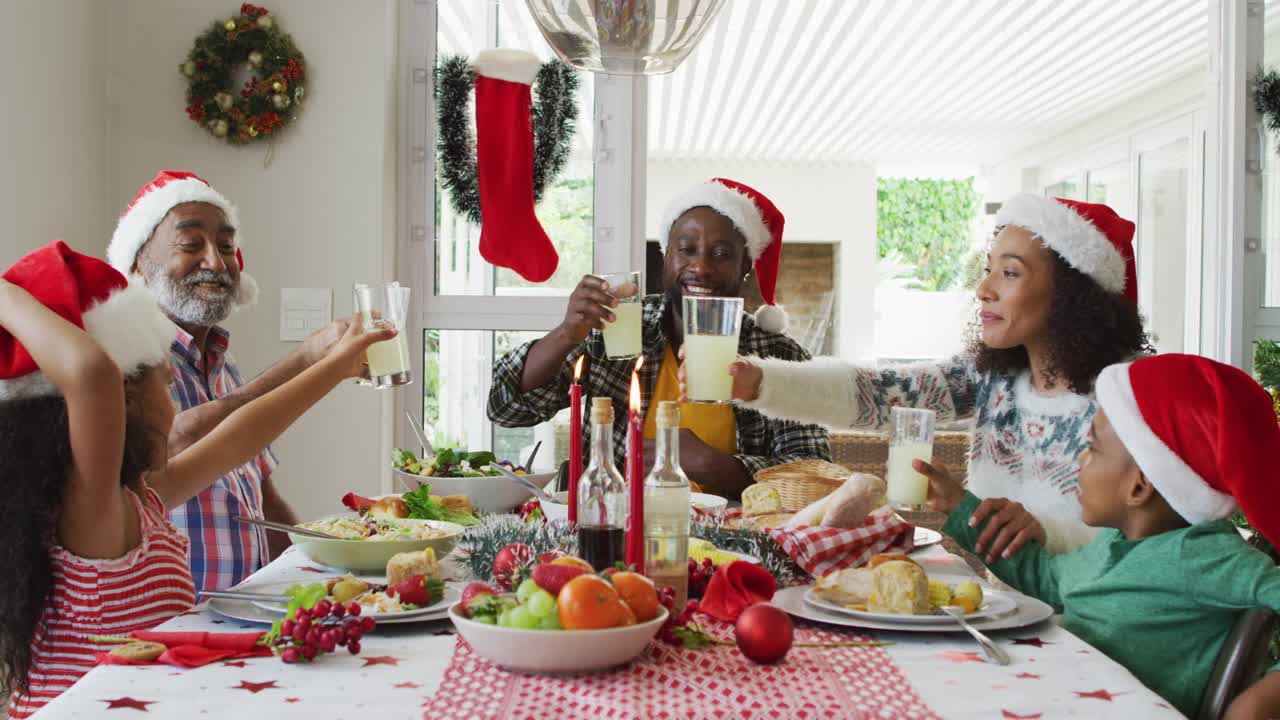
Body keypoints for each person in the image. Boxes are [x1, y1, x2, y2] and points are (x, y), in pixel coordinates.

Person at [0, 241, 391, 718]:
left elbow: (239, 438)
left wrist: (336, 366)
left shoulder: (139, 502)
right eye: (166, 386)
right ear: (124, 399)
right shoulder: (91, 518)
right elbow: (90, 373)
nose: (175, 405)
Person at [720, 194, 1152, 555]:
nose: (984, 289)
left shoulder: (1132, 399)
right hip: (994, 607)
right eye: (989, 269)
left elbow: (1147, 537)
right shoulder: (991, 377)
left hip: (1083, 631)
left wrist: (1046, 531)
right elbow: (878, 392)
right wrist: (760, 382)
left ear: (1072, 295)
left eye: (1011, 272)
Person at [924, 354, 1280, 719]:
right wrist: (958, 505)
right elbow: (1045, 576)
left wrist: (1260, 700)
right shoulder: (1113, 542)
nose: (1079, 461)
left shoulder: (1206, 555)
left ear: (1139, 486)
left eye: (1092, 448)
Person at [487, 178, 830, 498]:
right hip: (617, 528)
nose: (701, 267)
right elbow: (505, 408)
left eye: (722, 254)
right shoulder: (620, 325)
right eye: (687, 249)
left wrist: (715, 466)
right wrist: (566, 333)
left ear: (745, 267)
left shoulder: (781, 358)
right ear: (667, 256)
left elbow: (815, 478)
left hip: (737, 540)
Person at [106, 170, 356, 592]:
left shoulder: (223, 361)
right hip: (174, 622)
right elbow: (168, 450)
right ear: (138, 266)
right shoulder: (126, 359)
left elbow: (261, 496)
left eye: (226, 246)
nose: (217, 262)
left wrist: (324, 567)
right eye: (190, 244)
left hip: (240, 612)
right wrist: (311, 358)